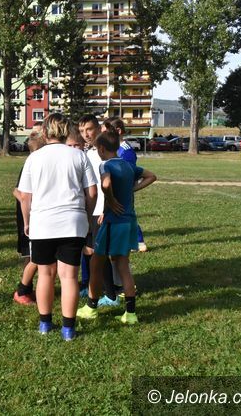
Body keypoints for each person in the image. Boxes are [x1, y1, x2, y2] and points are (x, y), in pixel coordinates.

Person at [18, 114, 97, 339]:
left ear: (44, 132)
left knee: (45, 274)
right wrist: (87, 217)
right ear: (67, 131)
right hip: (73, 222)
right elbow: (92, 192)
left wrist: (27, 222)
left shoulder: (34, 158)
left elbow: (25, 196)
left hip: (42, 222)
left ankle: (45, 324)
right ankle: (68, 329)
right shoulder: (79, 155)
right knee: (69, 276)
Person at [77, 131, 156, 325]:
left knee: (96, 264)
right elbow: (151, 176)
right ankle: (130, 314)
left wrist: (110, 200)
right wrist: (131, 189)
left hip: (114, 223)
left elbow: (106, 183)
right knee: (123, 266)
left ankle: (91, 308)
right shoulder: (128, 165)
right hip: (129, 221)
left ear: (102, 149)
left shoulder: (105, 165)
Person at [78, 114, 120, 306]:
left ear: (98, 128)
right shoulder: (87, 152)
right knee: (89, 250)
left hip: (100, 211)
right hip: (90, 209)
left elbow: (110, 183)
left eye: (89, 129)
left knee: (99, 253)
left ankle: (111, 295)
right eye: (82, 131)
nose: (85, 134)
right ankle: (92, 287)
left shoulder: (102, 153)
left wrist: (105, 208)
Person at [102, 116, 147, 252]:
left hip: (122, 190)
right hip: (115, 189)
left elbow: (130, 173)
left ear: (118, 131)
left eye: (106, 132)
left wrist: (131, 188)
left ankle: (138, 241)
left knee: (125, 214)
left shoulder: (125, 150)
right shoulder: (113, 148)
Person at [12, 122, 45, 306]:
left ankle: (29, 288)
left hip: (36, 213)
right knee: (30, 253)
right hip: (29, 214)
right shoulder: (31, 161)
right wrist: (31, 204)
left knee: (36, 253)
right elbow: (17, 191)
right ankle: (24, 290)